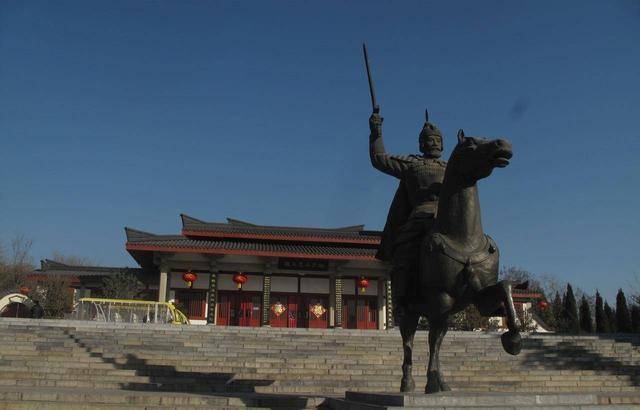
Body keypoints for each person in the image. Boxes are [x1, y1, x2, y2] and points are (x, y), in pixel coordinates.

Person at [369, 109, 446, 322]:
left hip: (449, 218)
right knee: (404, 251)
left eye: (438, 140)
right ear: (421, 144)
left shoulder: (452, 167)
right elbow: (380, 159)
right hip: (421, 215)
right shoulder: (412, 164)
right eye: (430, 140)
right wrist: (376, 132)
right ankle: (401, 300)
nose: (434, 143)